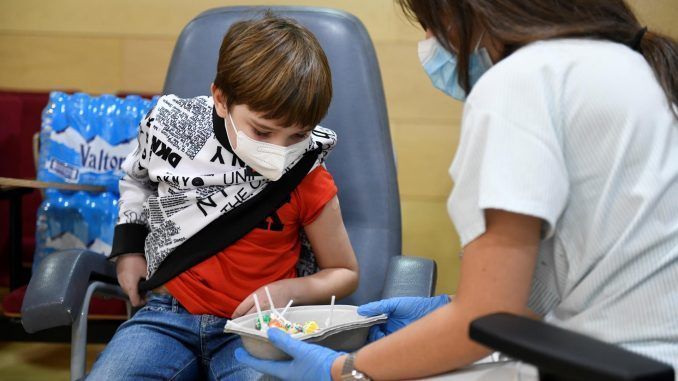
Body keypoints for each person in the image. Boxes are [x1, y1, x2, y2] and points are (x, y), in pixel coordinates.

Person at [235, 0, 678, 379]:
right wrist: (445, 306)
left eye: (429, 23)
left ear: (460, 14)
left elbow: (485, 318)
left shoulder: (520, 82)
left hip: (599, 363)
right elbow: (587, 269)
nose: (429, 41)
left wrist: (345, 370)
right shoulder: (632, 65)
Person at [87, 13, 359, 380]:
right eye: (262, 132)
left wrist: (286, 291)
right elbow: (138, 181)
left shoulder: (308, 175)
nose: (279, 152)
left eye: (297, 136)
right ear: (221, 99)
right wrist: (131, 251)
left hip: (257, 330)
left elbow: (343, 272)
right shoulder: (174, 134)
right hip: (168, 313)